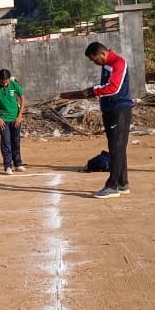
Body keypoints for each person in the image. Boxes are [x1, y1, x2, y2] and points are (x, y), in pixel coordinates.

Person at [61, 42, 132, 198]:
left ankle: (112, 185)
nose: (94, 63)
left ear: (102, 54)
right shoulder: (106, 65)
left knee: (116, 148)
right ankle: (122, 183)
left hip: (119, 109)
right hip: (110, 109)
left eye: (94, 59)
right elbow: (105, 86)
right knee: (117, 148)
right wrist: (95, 92)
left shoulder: (118, 63)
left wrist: (92, 91)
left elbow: (113, 88)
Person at [0, 69, 25, 174]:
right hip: (3, 119)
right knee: (6, 142)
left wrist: (20, 115)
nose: (5, 84)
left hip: (15, 119)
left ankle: (18, 164)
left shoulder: (14, 85)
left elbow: (22, 98)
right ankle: (8, 166)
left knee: (16, 141)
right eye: (2, 82)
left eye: (6, 81)